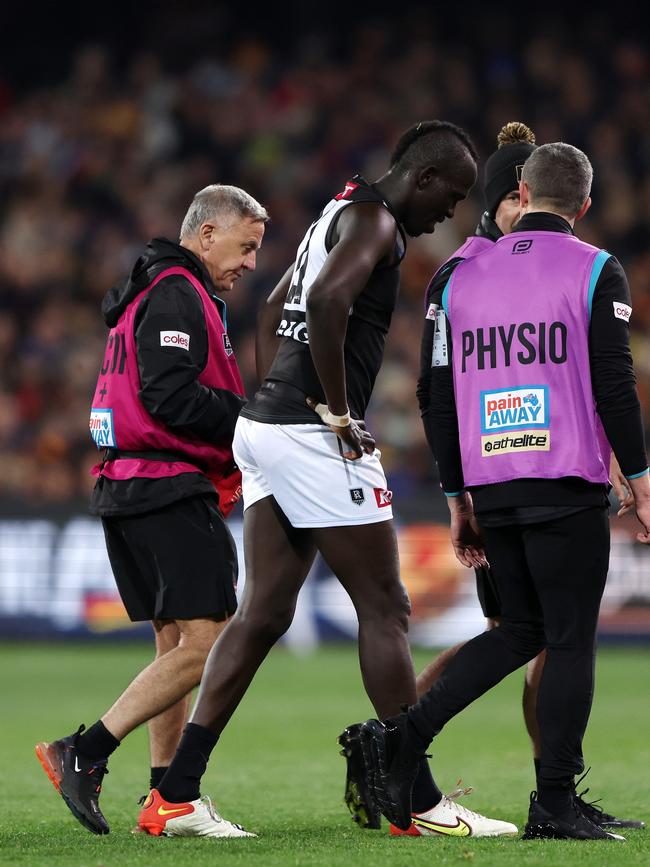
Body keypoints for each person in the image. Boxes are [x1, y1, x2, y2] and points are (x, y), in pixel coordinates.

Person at [135, 121, 514, 839]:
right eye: (451, 196)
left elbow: (278, 304)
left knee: (263, 613)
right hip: (312, 436)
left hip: (269, 429)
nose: (449, 214)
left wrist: (273, 396)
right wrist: (334, 409)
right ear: (423, 177)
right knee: (385, 605)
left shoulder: (340, 208)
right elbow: (330, 301)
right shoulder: (377, 222)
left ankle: (174, 795)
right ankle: (416, 799)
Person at [356, 141, 650, 841]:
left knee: (522, 630)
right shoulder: (595, 269)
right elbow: (614, 383)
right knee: (571, 639)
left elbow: (438, 394)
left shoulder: (459, 274)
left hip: (491, 481)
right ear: (582, 205)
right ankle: (553, 803)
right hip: (564, 476)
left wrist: (459, 495)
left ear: (520, 189)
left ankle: (399, 738)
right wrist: (640, 481)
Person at [35, 184, 268, 838]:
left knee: (176, 642)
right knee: (209, 640)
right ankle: (85, 750)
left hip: (131, 483)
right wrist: (253, 420)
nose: (251, 261)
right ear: (206, 234)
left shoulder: (152, 289)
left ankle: (169, 799)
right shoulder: (176, 291)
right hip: (164, 483)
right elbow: (169, 394)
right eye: (245, 245)